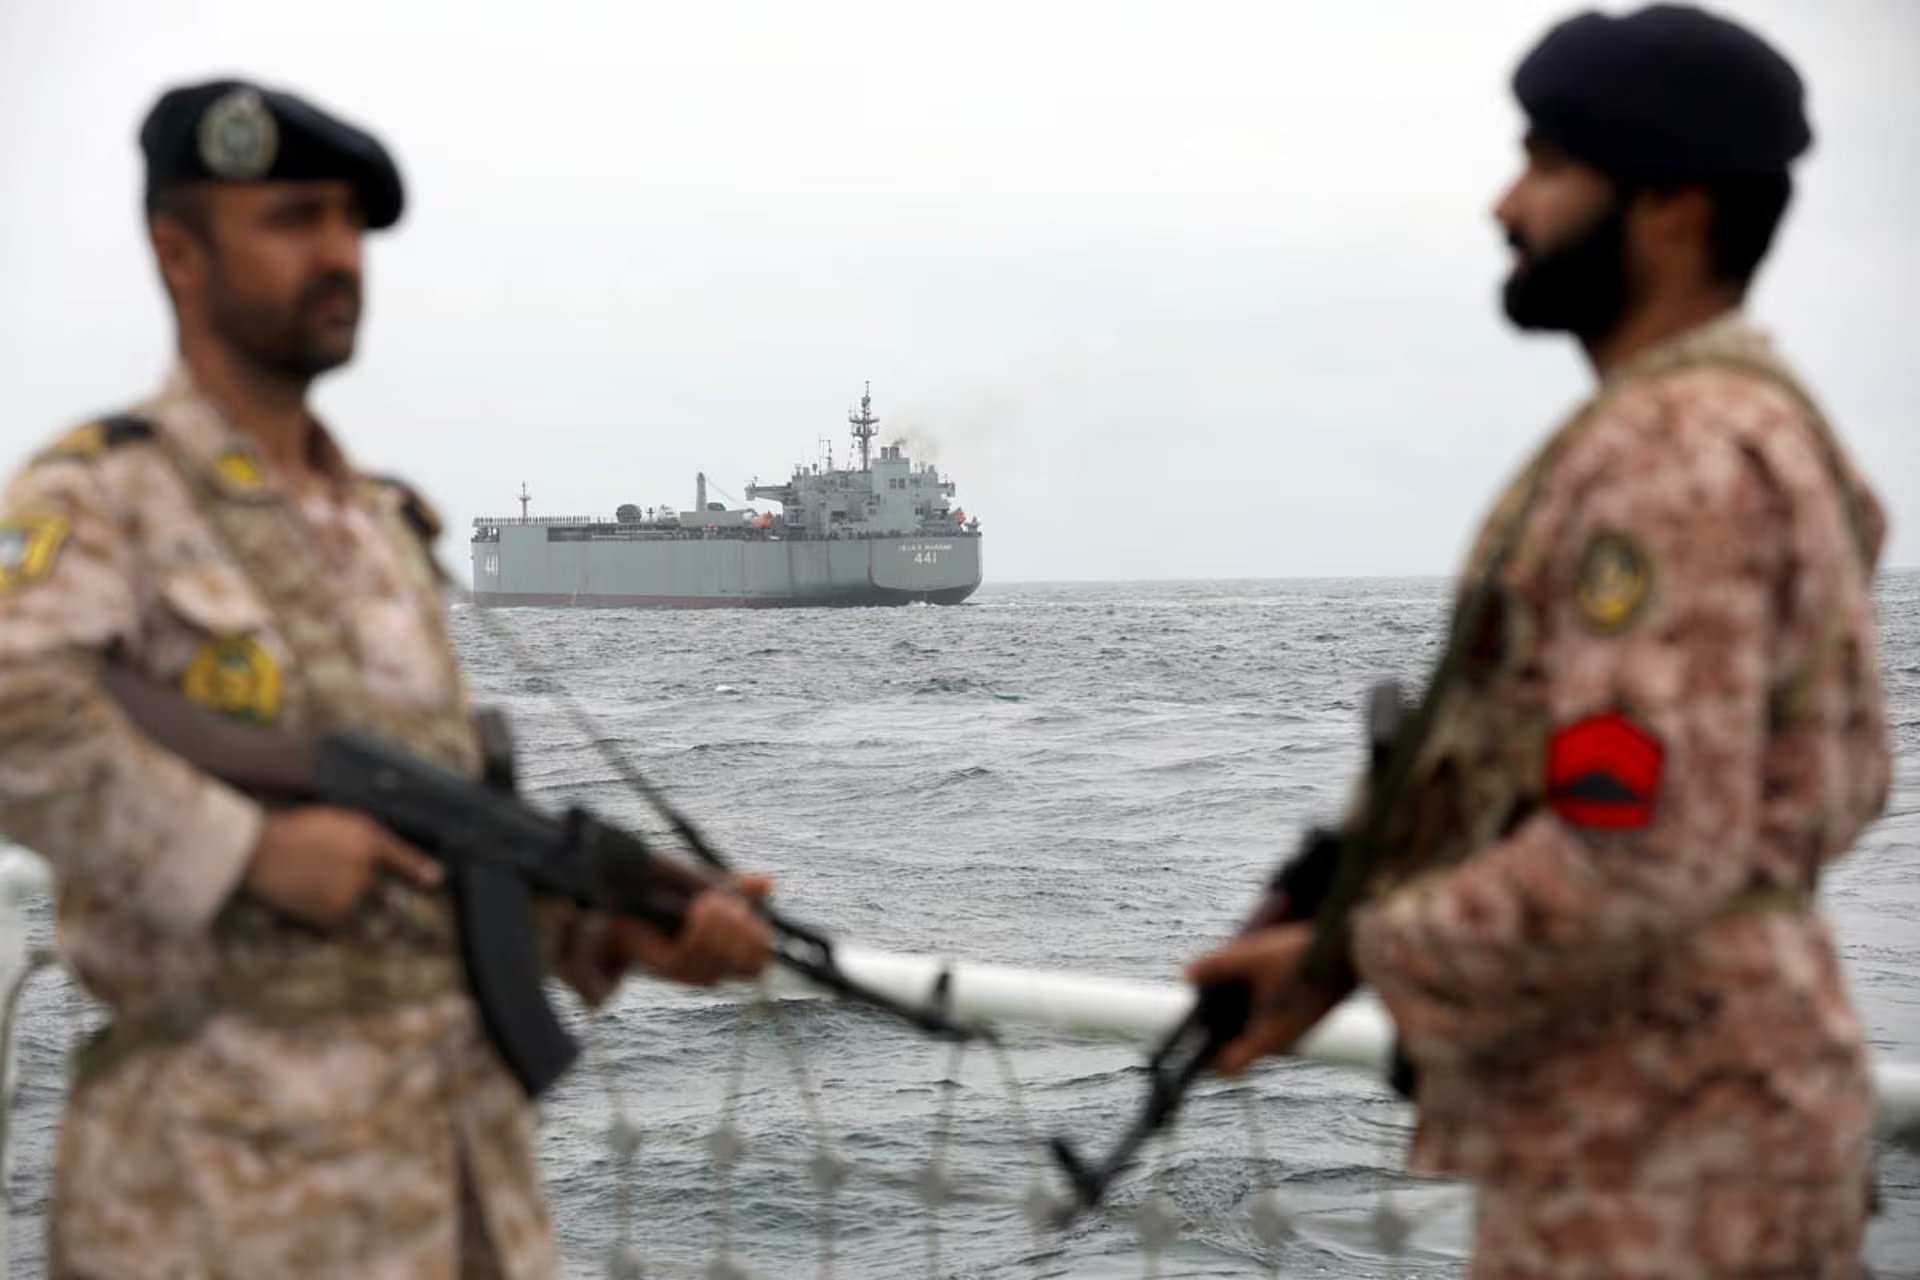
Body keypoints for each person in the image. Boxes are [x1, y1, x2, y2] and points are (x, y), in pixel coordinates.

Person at [0, 79, 774, 1279]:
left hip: (454, 1193)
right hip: (222, 1196)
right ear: (178, 253)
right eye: (293, 218)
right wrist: (245, 850)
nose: (337, 254)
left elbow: (435, 847)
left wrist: (614, 930)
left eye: (350, 225)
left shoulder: (386, 531)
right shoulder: (103, 497)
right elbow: (16, 711)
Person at [1188, 6, 1890, 1277]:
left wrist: (1358, 952)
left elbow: (1641, 849)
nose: (1505, 205)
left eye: (1551, 165)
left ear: (1672, 202)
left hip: (1660, 1150)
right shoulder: (1757, 428)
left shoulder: (1671, 456)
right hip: (1684, 1120)